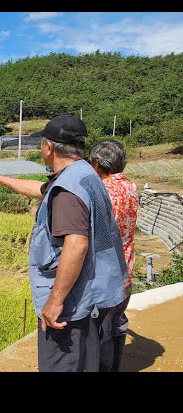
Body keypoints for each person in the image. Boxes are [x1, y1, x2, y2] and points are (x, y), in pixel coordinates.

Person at [0, 115, 128, 372]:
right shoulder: (84, 174)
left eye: (41, 143)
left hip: (75, 306)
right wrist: (3, 180)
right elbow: (43, 189)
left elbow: (76, 244)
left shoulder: (67, 192)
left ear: (49, 147)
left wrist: (55, 301)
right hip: (101, 294)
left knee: (64, 364)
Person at [89, 139, 139, 372]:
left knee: (101, 331)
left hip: (105, 272)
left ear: (98, 164)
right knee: (117, 324)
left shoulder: (101, 191)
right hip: (126, 268)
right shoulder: (131, 186)